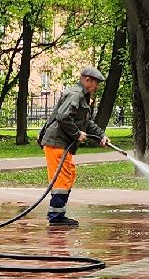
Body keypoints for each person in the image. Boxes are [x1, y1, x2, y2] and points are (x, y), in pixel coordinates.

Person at [38, 66, 107, 227]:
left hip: (61, 143)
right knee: (62, 179)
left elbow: (86, 122)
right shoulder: (75, 94)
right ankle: (56, 217)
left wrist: (101, 136)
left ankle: (58, 214)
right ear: (87, 79)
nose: (97, 87)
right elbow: (63, 117)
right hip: (56, 143)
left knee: (68, 175)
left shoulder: (82, 96)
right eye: (96, 83)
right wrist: (77, 134)